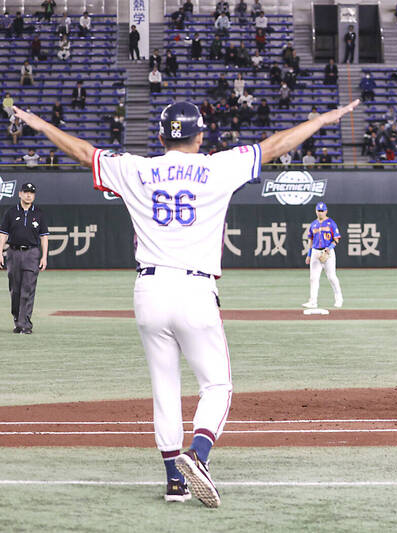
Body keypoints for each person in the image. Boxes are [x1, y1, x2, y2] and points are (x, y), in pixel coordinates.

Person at [11, 97, 359, 507]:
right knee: (217, 384)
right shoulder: (217, 166)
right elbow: (277, 144)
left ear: (160, 137)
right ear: (200, 136)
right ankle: (200, 453)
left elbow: (84, 151)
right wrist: (324, 118)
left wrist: (37, 121)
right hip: (195, 289)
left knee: (165, 389)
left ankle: (175, 481)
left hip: (149, 289)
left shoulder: (137, 169)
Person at [0, 182, 49, 334]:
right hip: (13, 253)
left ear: (34, 195)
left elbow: (44, 237)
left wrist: (44, 257)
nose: (28, 195)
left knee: (28, 289)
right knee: (15, 290)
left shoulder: (39, 213)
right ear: (19, 194)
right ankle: (17, 321)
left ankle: (25, 324)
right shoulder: (11, 212)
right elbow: (3, 234)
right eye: (26, 192)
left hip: (32, 253)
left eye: (31, 192)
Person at [302, 202, 343, 308]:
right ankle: (313, 301)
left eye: (322, 211)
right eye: (318, 211)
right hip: (315, 252)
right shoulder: (313, 224)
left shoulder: (331, 223)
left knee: (331, 277)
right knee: (313, 278)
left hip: (327, 252)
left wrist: (329, 248)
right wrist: (309, 255)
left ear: (326, 211)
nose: (320, 213)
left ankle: (339, 298)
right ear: (316, 211)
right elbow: (311, 240)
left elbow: (336, 239)